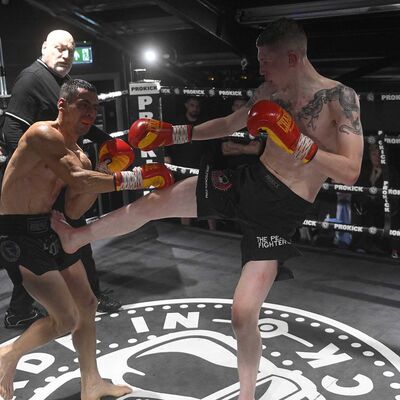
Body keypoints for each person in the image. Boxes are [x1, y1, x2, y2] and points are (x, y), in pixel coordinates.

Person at [51, 18, 364, 400]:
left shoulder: (339, 99)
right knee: (156, 202)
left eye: (267, 61)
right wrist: (175, 132)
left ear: (293, 57)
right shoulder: (269, 90)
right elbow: (232, 123)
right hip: (249, 181)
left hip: (281, 209)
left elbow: (350, 172)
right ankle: (75, 237)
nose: (260, 69)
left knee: (242, 314)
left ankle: (247, 396)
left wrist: (300, 143)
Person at [0, 78, 173, 400]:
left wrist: (107, 168)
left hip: (51, 226)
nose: (91, 113)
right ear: (62, 105)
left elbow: (75, 204)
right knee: (65, 318)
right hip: (19, 231)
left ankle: (91, 383)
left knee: (88, 304)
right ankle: (6, 355)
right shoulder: (42, 134)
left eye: (95, 107)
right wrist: (135, 177)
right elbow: (77, 179)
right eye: (83, 105)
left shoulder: (80, 154)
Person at [0, 29, 120, 329]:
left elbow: (82, 125)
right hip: (39, 187)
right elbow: (13, 131)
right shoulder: (32, 79)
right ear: (44, 47)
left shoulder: (63, 83)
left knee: (65, 237)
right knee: (70, 235)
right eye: (59, 48)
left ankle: (31, 307)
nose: (65, 55)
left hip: (55, 177)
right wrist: (39, 177)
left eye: (70, 50)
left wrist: (114, 145)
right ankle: (83, 298)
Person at [164, 96, 216, 229]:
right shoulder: (178, 123)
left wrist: (209, 163)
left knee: (207, 198)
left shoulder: (204, 123)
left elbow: (211, 146)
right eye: (192, 105)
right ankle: (185, 230)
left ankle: (213, 231)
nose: (195, 109)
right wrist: (167, 156)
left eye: (197, 106)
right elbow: (167, 143)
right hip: (181, 165)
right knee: (183, 197)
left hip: (201, 165)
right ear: (186, 105)